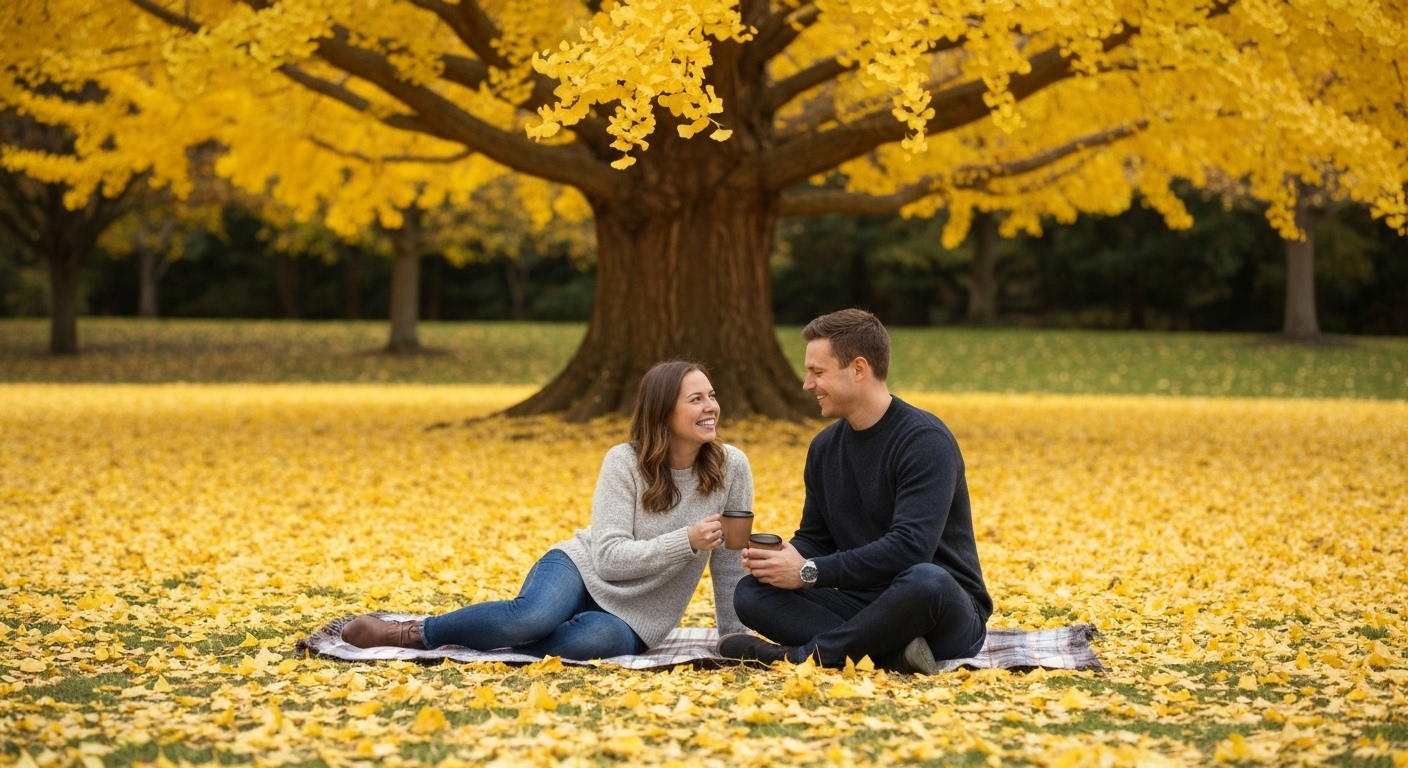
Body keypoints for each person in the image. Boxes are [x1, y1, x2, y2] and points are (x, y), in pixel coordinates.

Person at [342, 360, 752, 660]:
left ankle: (493, 644)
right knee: (532, 617)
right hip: (583, 568)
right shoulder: (624, 461)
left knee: (592, 643)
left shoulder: (731, 466)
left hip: (641, 614)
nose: (711, 406)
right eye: (696, 399)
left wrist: (733, 636)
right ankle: (415, 633)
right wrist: (686, 540)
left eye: (711, 396)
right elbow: (608, 559)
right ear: (662, 412)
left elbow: (731, 559)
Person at [719, 309, 991, 673]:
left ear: (859, 369)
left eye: (817, 372)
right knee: (751, 593)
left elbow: (911, 549)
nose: (807, 384)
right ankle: (892, 654)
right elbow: (817, 538)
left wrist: (808, 571)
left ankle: (799, 657)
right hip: (860, 605)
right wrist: (784, 558)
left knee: (927, 579)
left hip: (939, 612)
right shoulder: (824, 448)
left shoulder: (925, 441)